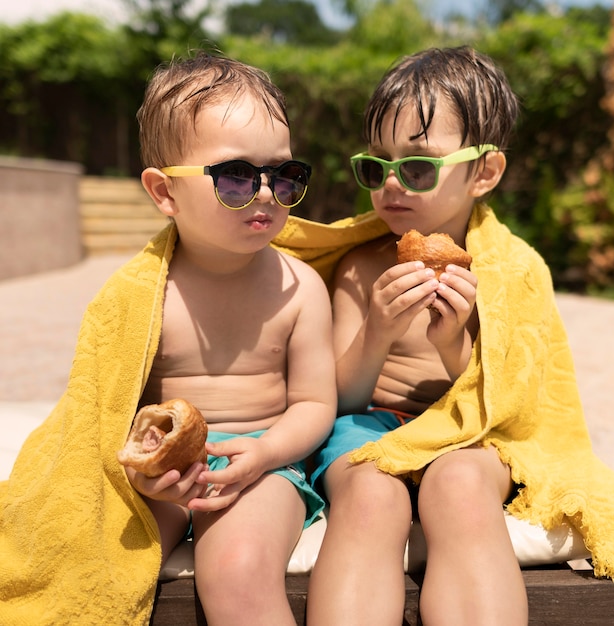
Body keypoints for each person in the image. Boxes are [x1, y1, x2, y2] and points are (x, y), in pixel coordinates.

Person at [0, 52, 335, 625]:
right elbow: (109, 409)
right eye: (234, 176)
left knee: (236, 570)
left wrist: (266, 454)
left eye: (284, 176)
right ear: (164, 192)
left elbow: (314, 403)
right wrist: (142, 471)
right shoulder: (138, 294)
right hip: (166, 474)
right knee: (88, 553)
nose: (264, 194)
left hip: (263, 462)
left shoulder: (299, 288)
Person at [306, 46, 529, 626]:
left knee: (459, 489)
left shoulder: (504, 273)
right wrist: (378, 329)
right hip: (370, 421)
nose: (390, 185)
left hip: (466, 432)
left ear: (485, 172)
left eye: (418, 166)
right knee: (370, 494)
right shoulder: (358, 268)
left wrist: (454, 340)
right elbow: (341, 398)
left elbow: (508, 404)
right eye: (375, 167)